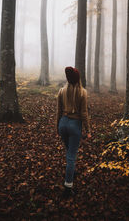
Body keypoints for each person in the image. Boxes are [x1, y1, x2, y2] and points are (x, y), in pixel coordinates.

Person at [56, 66, 91, 196]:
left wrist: (57, 128)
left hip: (62, 124)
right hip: (74, 126)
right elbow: (84, 113)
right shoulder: (83, 93)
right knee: (71, 157)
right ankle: (68, 187)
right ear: (78, 79)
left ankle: (71, 171)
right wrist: (88, 130)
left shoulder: (61, 91)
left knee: (69, 151)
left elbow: (58, 112)